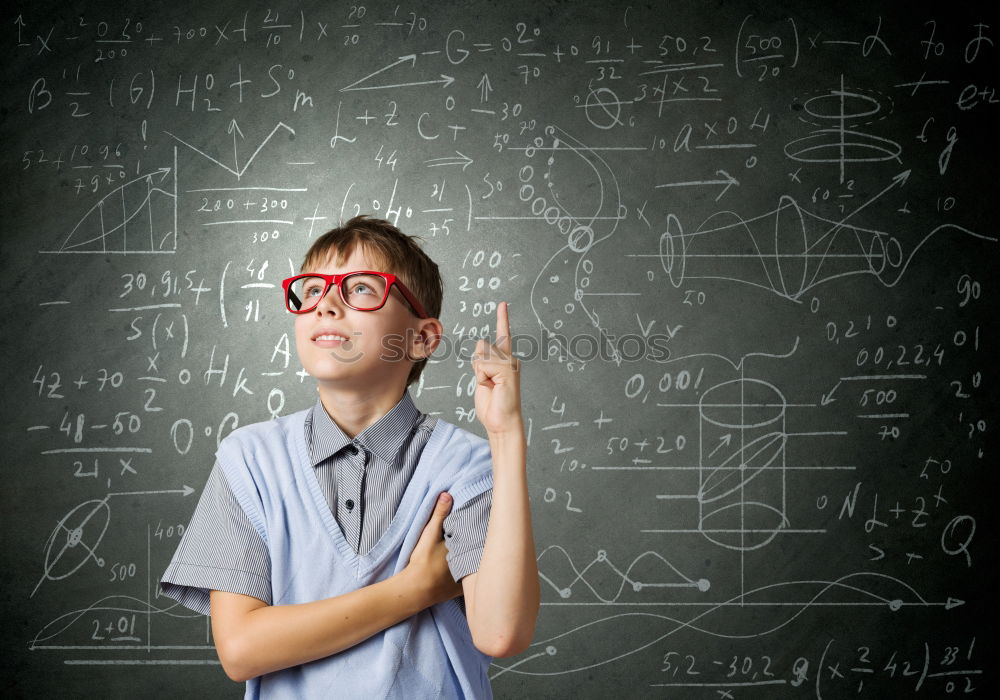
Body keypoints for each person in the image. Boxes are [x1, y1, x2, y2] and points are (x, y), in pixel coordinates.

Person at [157, 214, 539, 698]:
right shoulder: (249, 461)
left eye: (361, 289)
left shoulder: (467, 465)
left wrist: (505, 436)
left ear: (421, 337)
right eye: (312, 289)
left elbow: (501, 633)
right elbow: (240, 649)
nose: (327, 305)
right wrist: (416, 588)